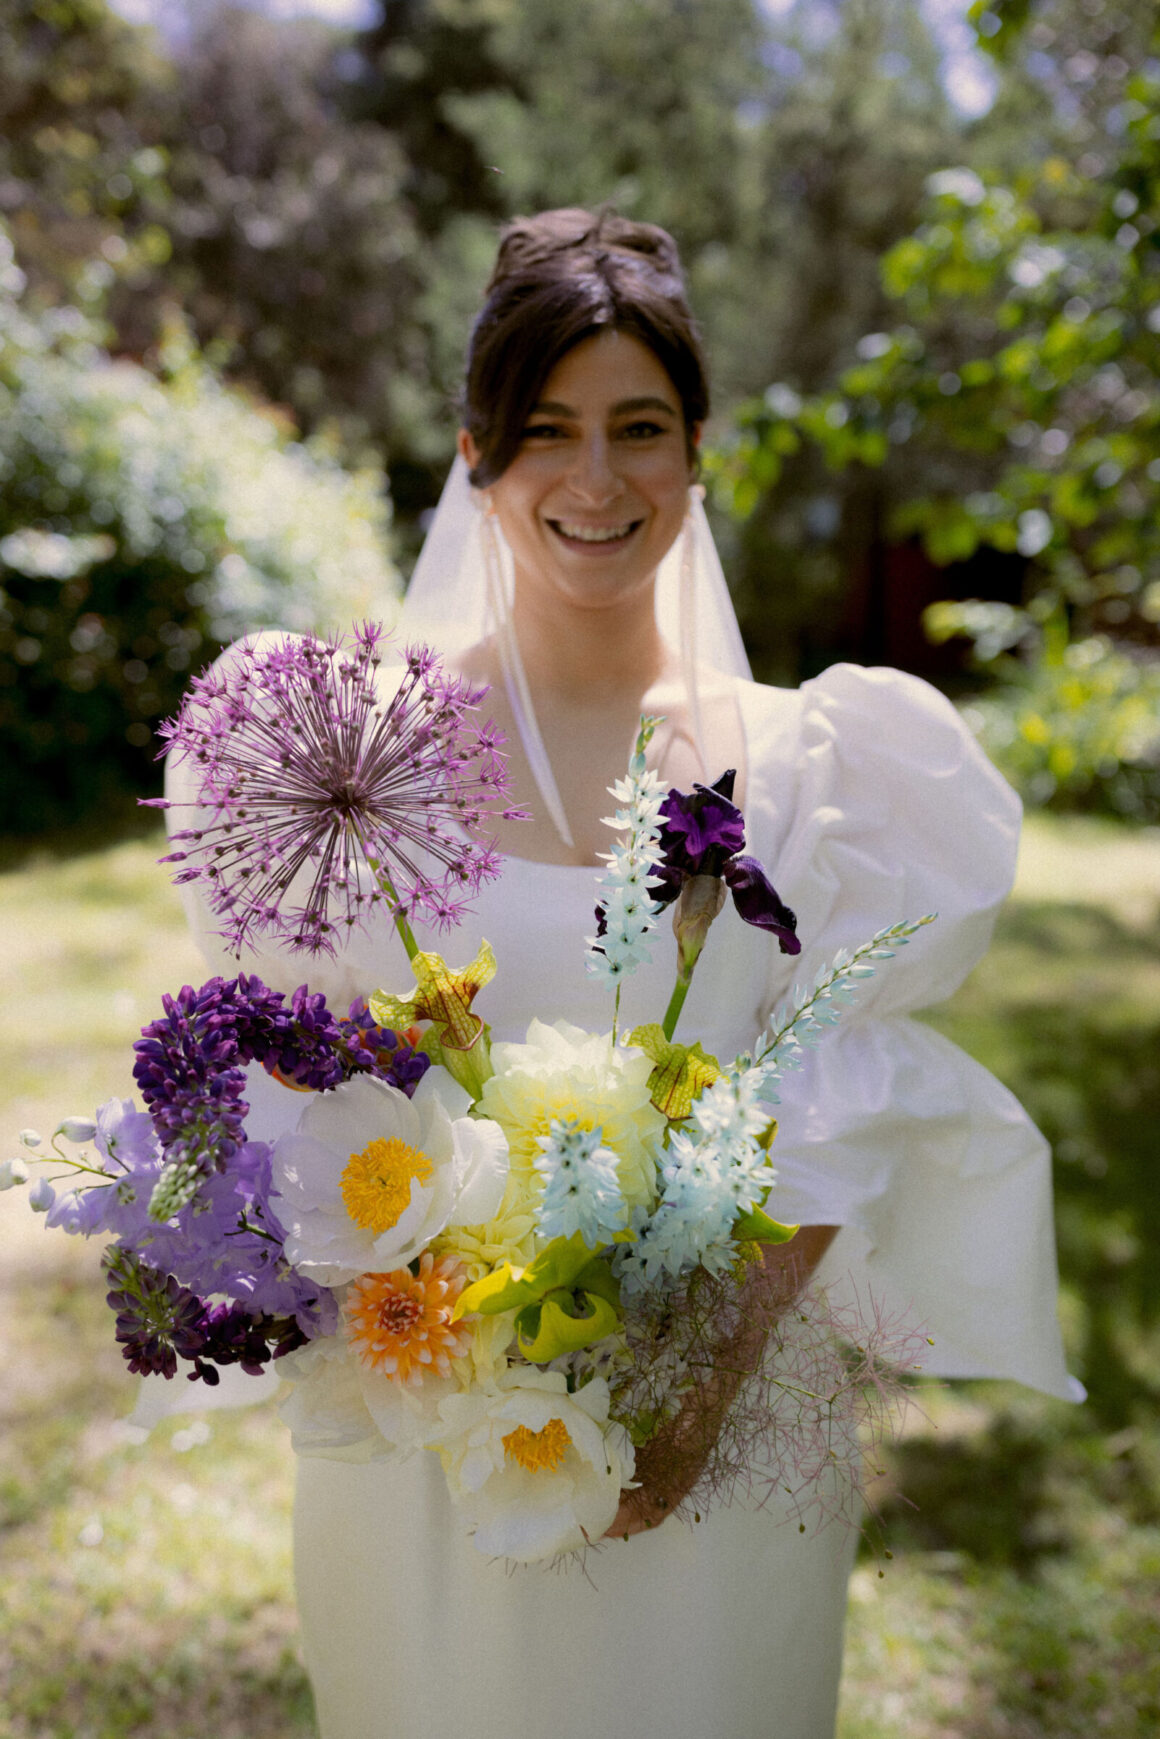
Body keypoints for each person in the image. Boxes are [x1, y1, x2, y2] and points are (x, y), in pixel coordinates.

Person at [175, 208, 1079, 1738]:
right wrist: (457, 1342)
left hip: (718, 1440)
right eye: (548, 430)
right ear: (476, 454)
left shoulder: (814, 768)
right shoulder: (352, 758)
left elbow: (842, 1093)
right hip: (430, 1435)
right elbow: (302, 1090)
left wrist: (696, 1389)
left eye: (639, 428)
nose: (596, 480)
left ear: (698, 448)